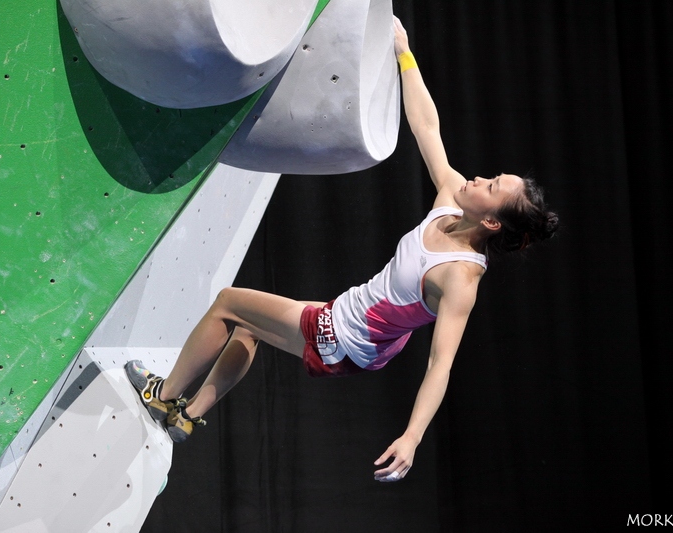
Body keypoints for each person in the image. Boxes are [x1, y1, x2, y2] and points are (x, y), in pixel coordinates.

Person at [125, 16, 559, 482]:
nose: (478, 178)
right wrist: (404, 54)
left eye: (491, 185)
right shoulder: (451, 200)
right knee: (250, 329)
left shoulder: (460, 277)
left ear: (491, 220)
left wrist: (411, 437)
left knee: (229, 304)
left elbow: (441, 363)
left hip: (347, 338)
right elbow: (427, 127)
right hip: (360, 326)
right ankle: (187, 416)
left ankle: (163, 395)